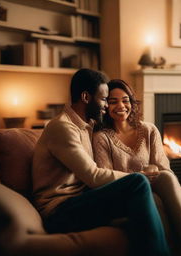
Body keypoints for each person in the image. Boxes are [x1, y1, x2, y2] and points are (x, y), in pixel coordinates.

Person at [32, 68, 170, 256]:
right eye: (104, 99)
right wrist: (138, 175)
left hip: (81, 200)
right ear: (86, 97)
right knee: (137, 183)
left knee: (151, 200)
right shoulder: (62, 128)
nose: (106, 106)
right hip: (58, 211)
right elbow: (93, 176)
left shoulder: (87, 126)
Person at [92, 79, 181, 256]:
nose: (121, 106)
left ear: (132, 102)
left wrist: (153, 173)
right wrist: (138, 177)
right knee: (154, 199)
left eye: (125, 100)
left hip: (156, 184)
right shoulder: (102, 137)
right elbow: (107, 179)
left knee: (167, 178)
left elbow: (164, 169)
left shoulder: (149, 130)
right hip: (127, 193)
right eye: (113, 101)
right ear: (105, 106)